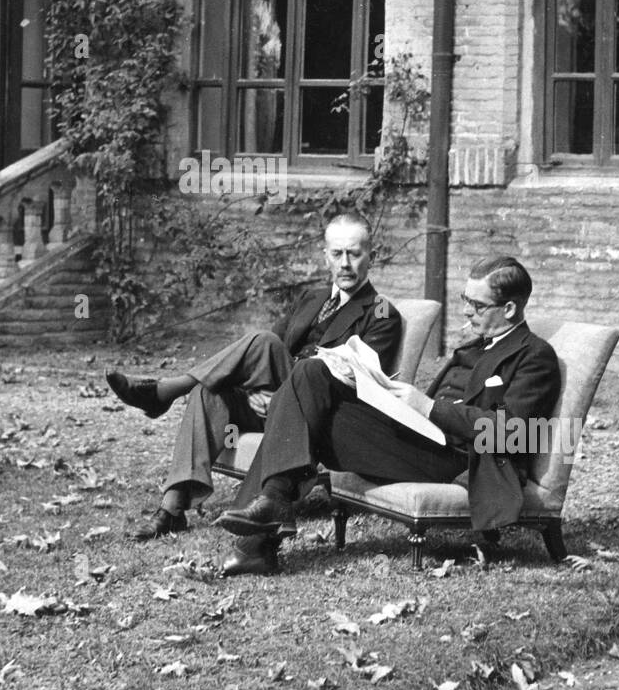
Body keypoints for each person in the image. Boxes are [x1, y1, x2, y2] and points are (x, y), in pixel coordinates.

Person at [214, 255, 561, 576]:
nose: (467, 312)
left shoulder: (534, 356)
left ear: (511, 308)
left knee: (305, 409)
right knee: (310, 373)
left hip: (460, 461)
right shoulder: (474, 346)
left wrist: (427, 407)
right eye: (465, 300)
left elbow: (513, 433)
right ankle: (271, 506)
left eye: (478, 305)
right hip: (423, 441)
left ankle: (259, 536)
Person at [107, 211, 403, 541]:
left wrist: (285, 394)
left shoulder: (381, 312)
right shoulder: (312, 299)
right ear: (325, 256)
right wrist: (258, 391)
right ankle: (172, 509)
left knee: (264, 341)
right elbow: (260, 358)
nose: (345, 263)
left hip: (320, 415)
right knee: (210, 392)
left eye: (354, 253)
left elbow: (359, 385)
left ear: (371, 257)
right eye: (337, 253)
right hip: (275, 404)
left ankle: (166, 391)